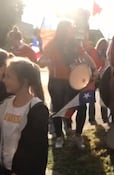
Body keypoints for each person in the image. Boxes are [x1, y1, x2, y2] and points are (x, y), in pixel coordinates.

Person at [0, 57, 48, 175]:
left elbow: (33, 145)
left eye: (8, 76)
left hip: (20, 171)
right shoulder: (6, 103)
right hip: (4, 165)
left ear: (24, 81)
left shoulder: (37, 108)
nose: (4, 80)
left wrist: (18, 172)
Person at [38, 20, 86, 149]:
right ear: (64, 30)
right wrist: (45, 61)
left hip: (75, 80)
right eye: (71, 28)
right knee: (58, 109)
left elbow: (84, 56)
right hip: (56, 81)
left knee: (82, 106)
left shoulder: (75, 44)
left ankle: (78, 135)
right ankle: (59, 136)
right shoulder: (52, 44)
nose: (73, 31)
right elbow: (41, 61)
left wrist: (94, 69)